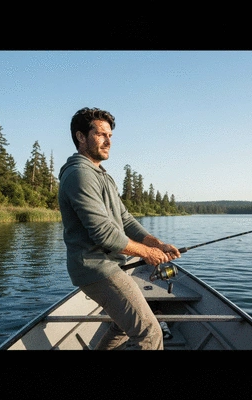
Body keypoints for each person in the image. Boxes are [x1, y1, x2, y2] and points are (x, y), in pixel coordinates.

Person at [58, 107, 181, 350]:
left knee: (121, 326)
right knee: (150, 333)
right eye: (101, 134)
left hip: (109, 265)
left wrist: (154, 244)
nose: (108, 141)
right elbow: (103, 233)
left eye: (110, 136)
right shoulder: (79, 174)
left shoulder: (101, 175)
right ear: (81, 137)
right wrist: (146, 254)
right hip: (96, 268)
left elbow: (124, 219)